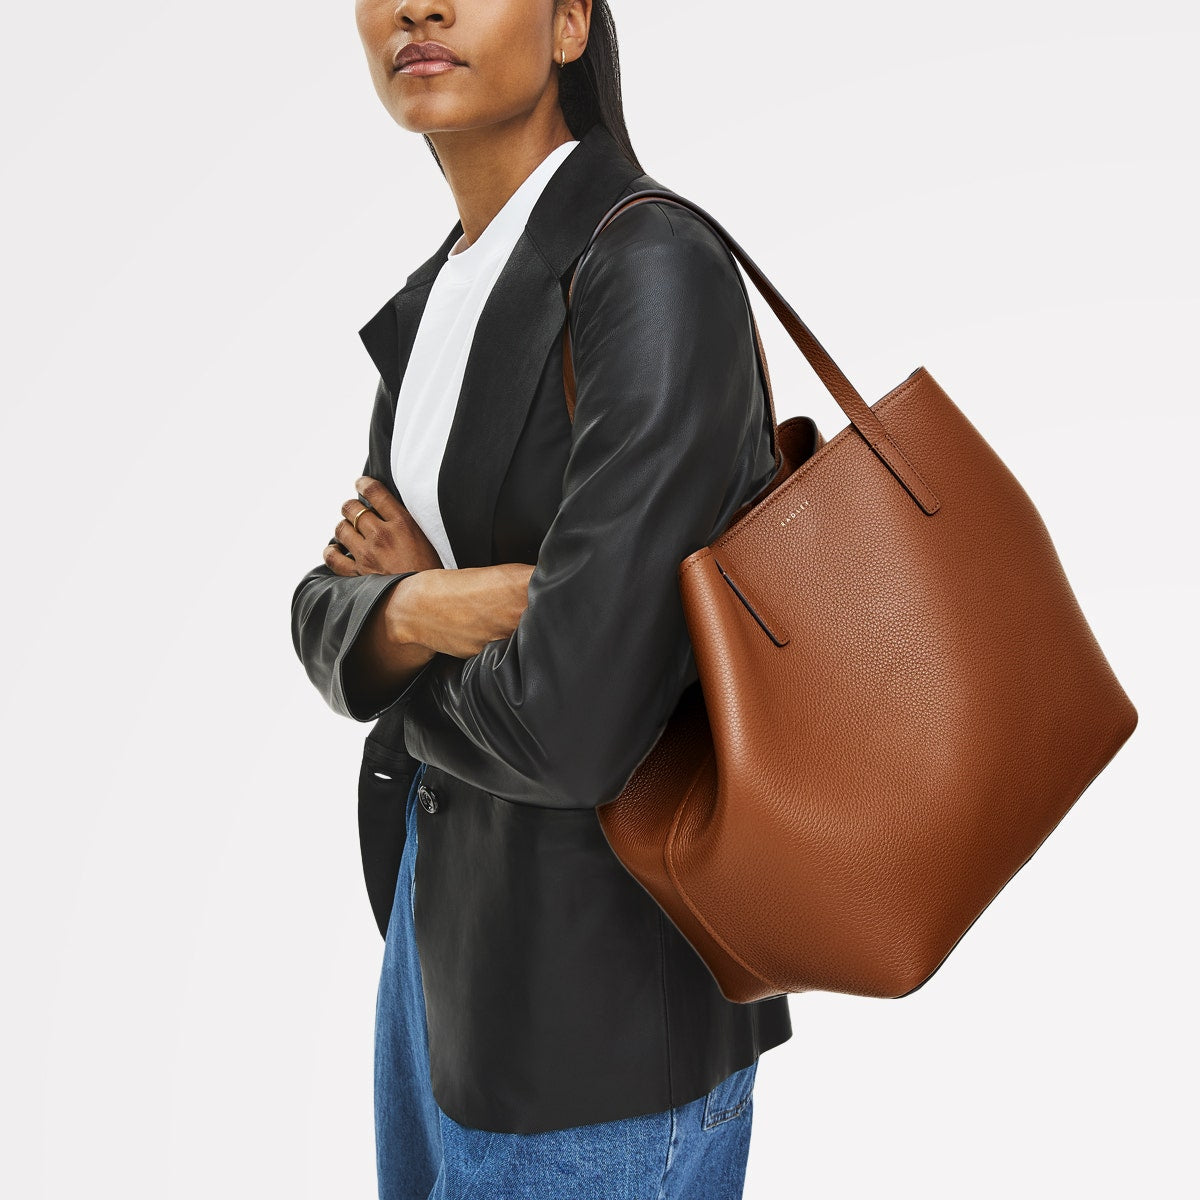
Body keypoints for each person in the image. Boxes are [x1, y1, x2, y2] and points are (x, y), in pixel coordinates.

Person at [290, 1, 793, 1196]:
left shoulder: (650, 268)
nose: (420, 6)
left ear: (570, 24)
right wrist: (427, 607)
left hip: (597, 1022)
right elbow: (323, 602)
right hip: (440, 959)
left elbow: (575, 724)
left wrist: (399, 628)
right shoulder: (438, 294)